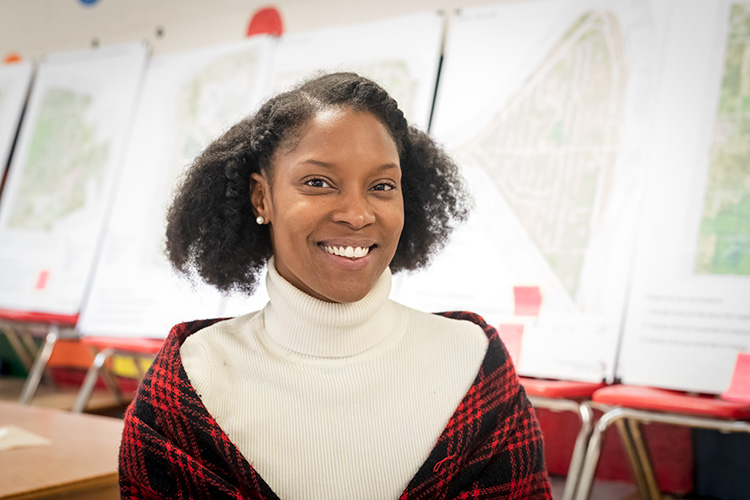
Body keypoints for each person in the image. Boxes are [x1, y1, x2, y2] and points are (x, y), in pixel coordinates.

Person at [118, 72, 552, 500]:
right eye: (318, 183)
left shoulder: (475, 364)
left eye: (382, 186)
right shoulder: (191, 383)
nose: (357, 214)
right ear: (262, 198)